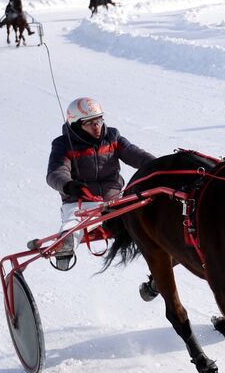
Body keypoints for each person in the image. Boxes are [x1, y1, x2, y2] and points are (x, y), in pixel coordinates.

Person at [44, 97, 156, 272]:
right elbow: (55, 173)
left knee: (146, 213)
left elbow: (137, 155)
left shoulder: (113, 136)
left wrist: (159, 166)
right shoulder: (63, 144)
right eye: (89, 123)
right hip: (81, 201)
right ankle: (65, 245)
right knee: (75, 220)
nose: (96, 127)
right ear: (75, 125)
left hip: (114, 201)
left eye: (98, 120)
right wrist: (69, 185)